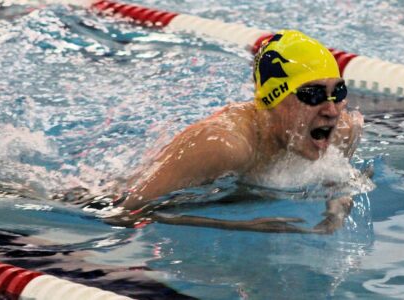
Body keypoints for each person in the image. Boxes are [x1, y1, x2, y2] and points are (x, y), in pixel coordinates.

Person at [73, 30, 366, 234]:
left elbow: (339, 181)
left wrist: (335, 214)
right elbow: (121, 212)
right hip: (92, 198)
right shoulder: (223, 145)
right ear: (273, 101)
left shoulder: (341, 132)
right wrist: (241, 225)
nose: (331, 109)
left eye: (337, 91)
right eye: (313, 95)